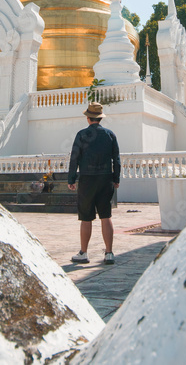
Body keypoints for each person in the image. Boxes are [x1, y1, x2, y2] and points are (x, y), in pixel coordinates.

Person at [67, 102, 121, 265]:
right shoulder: (109, 134)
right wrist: (116, 178)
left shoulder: (82, 135)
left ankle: (83, 253)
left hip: (87, 179)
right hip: (105, 178)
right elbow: (116, 159)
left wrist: (71, 179)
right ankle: (109, 253)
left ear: (88, 118)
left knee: (86, 217)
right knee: (106, 216)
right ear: (100, 118)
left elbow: (74, 158)